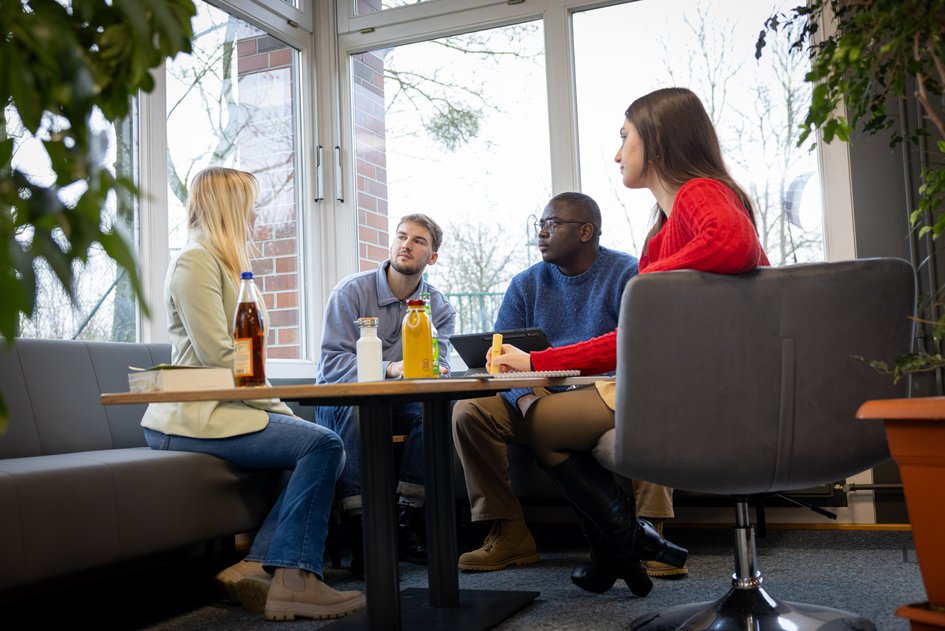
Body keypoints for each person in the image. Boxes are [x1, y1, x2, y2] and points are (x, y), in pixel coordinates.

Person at [488, 87, 771, 597]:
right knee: (545, 422)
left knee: (544, 426)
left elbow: (735, 242)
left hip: (712, 390)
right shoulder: (665, 228)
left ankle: (624, 544)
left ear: (657, 141)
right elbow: (632, 337)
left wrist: (648, 281)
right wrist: (537, 361)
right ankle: (620, 550)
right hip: (676, 383)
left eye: (625, 139)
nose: (617, 154)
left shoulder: (699, 193)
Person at [140, 167, 365, 621]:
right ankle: (295, 579)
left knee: (313, 447)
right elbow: (222, 356)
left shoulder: (224, 264)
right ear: (229, 208)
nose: (255, 217)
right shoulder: (194, 261)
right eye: (249, 206)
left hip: (223, 410)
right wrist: (281, 408)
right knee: (323, 442)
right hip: (191, 416)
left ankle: (259, 564)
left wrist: (278, 410)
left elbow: (246, 357)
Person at [454, 192, 677, 574]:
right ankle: (509, 533)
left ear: (586, 231)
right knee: (469, 412)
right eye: (539, 225)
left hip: (606, 396)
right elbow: (499, 362)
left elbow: (643, 353)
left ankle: (648, 532)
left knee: (648, 407)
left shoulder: (627, 274)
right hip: (539, 398)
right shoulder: (525, 285)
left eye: (551, 224)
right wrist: (526, 401)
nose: (541, 233)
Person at [315, 213, 456, 579]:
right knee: (358, 408)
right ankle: (365, 531)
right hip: (344, 403)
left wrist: (436, 370)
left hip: (402, 406)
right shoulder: (351, 292)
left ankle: (405, 519)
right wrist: (389, 367)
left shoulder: (439, 308)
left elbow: (435, 366)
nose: (406, 244)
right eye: (401, 236)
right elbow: (331, 366)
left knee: (439, 406)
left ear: (433, 257)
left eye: (419, 241)